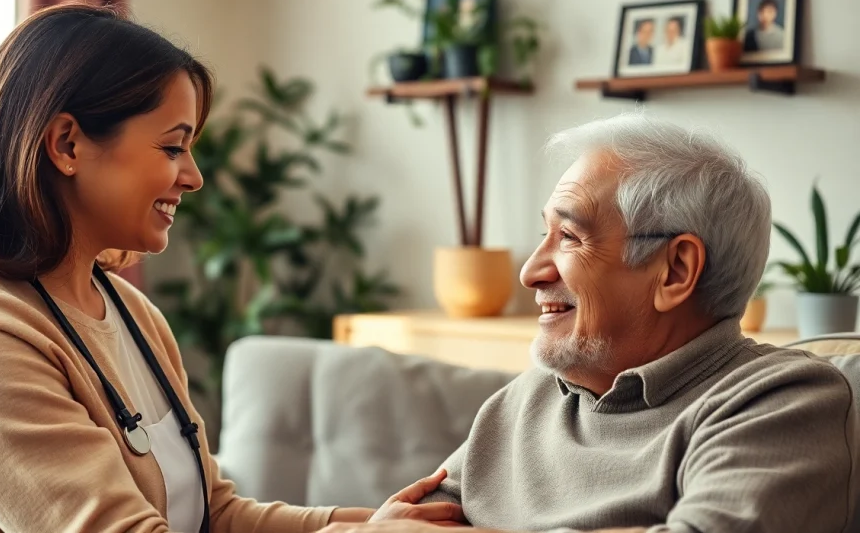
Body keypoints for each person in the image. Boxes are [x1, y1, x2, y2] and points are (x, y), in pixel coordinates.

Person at [0, 3, 463, 532]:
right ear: (66, 145)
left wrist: (372, 523)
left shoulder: (131, 314)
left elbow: (217, 514)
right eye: (171, 147)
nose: (194, 176)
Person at [316, 113, 860, 533]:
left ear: (675, 270)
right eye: (544, 235)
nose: (530, 271)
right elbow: (415, 522)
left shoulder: (784, 400)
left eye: (570, 237)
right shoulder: (527, 399)